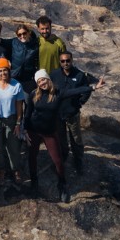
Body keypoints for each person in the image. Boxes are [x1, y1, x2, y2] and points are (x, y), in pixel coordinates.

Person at [51, 53, 105, 172]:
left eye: (68, 60)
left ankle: (78, 161)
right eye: (63, 61)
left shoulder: (79, 75)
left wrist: (80, 102)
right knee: (61, 139)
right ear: (60, 62)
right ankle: (63, 158)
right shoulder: (54, 74)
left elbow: (86, 90)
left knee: (76, 139)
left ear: (72, 60)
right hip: (58, 114)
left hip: (73, 113)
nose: (65, 63)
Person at [24, 69, 71, 203]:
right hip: (34, 130)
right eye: (39, 81)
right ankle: (34, 182)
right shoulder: (33, 94)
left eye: (43, 79)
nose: (42, 83)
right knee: (32, 156)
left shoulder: (58, 93)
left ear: (48, 79)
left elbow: (74, 91)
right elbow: (28, 114)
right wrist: (25, 131)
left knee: (57, 160)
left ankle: (62, 184)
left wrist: (92, 88)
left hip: (49, 132)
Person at [0, 59, 26, 184]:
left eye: (5, 70)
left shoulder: (16, 85)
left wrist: (19, 122)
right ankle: (1, 170)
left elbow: (19, 105)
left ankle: (15, 169)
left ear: (9, 71)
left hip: (11, 118)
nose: (3, 73)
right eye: (1, 70)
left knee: (12, 145)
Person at [10, 24, 39, 93]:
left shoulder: (35, 45)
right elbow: (0, 42)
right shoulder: (13, 42)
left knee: (27, 101)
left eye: (24, 33)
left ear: (28, 32)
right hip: (14, 77)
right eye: (19, 35)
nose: (22, 36)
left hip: (28, 79)